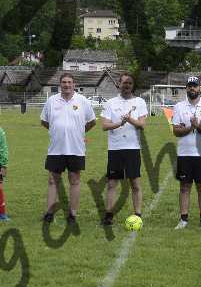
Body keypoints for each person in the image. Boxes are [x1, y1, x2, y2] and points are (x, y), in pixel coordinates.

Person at [41, 73, 96, 226]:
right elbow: (44, 121)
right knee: (53, 180)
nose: (66, 85)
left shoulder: (82, 101)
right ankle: (49, 213)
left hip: (76, 148)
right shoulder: (51, 101)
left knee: (75, 180)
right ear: (60, 84)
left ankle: (72, 214)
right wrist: (56, 131)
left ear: (74, 84)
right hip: (56, 148)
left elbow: (92, 122)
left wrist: (79, 132)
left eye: (69, 82)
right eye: (64, 82)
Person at [100, 73, 147, 227]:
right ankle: (108, 215)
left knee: (135, 184)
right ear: (118, 84)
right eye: (124, 82)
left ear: (133, 85)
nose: (127, 85)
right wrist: (120, 123)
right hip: (115, 148)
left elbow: (142, 125)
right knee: (112, 184)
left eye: (130, 83)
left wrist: (130, 120)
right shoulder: (111, 103)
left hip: (132, 148)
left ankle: (138, 214)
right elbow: (104, 126)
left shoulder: (139, 102)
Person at [172, 75, 201, 230]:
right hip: (184, 153)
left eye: (195, 85)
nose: (192, 88)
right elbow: (176, 131)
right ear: (186, 88)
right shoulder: (179, 106)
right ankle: (183, 219)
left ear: (200, 88)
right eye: (190, 85)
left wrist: (197, 126)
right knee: (184, 187)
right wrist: (190, 127)